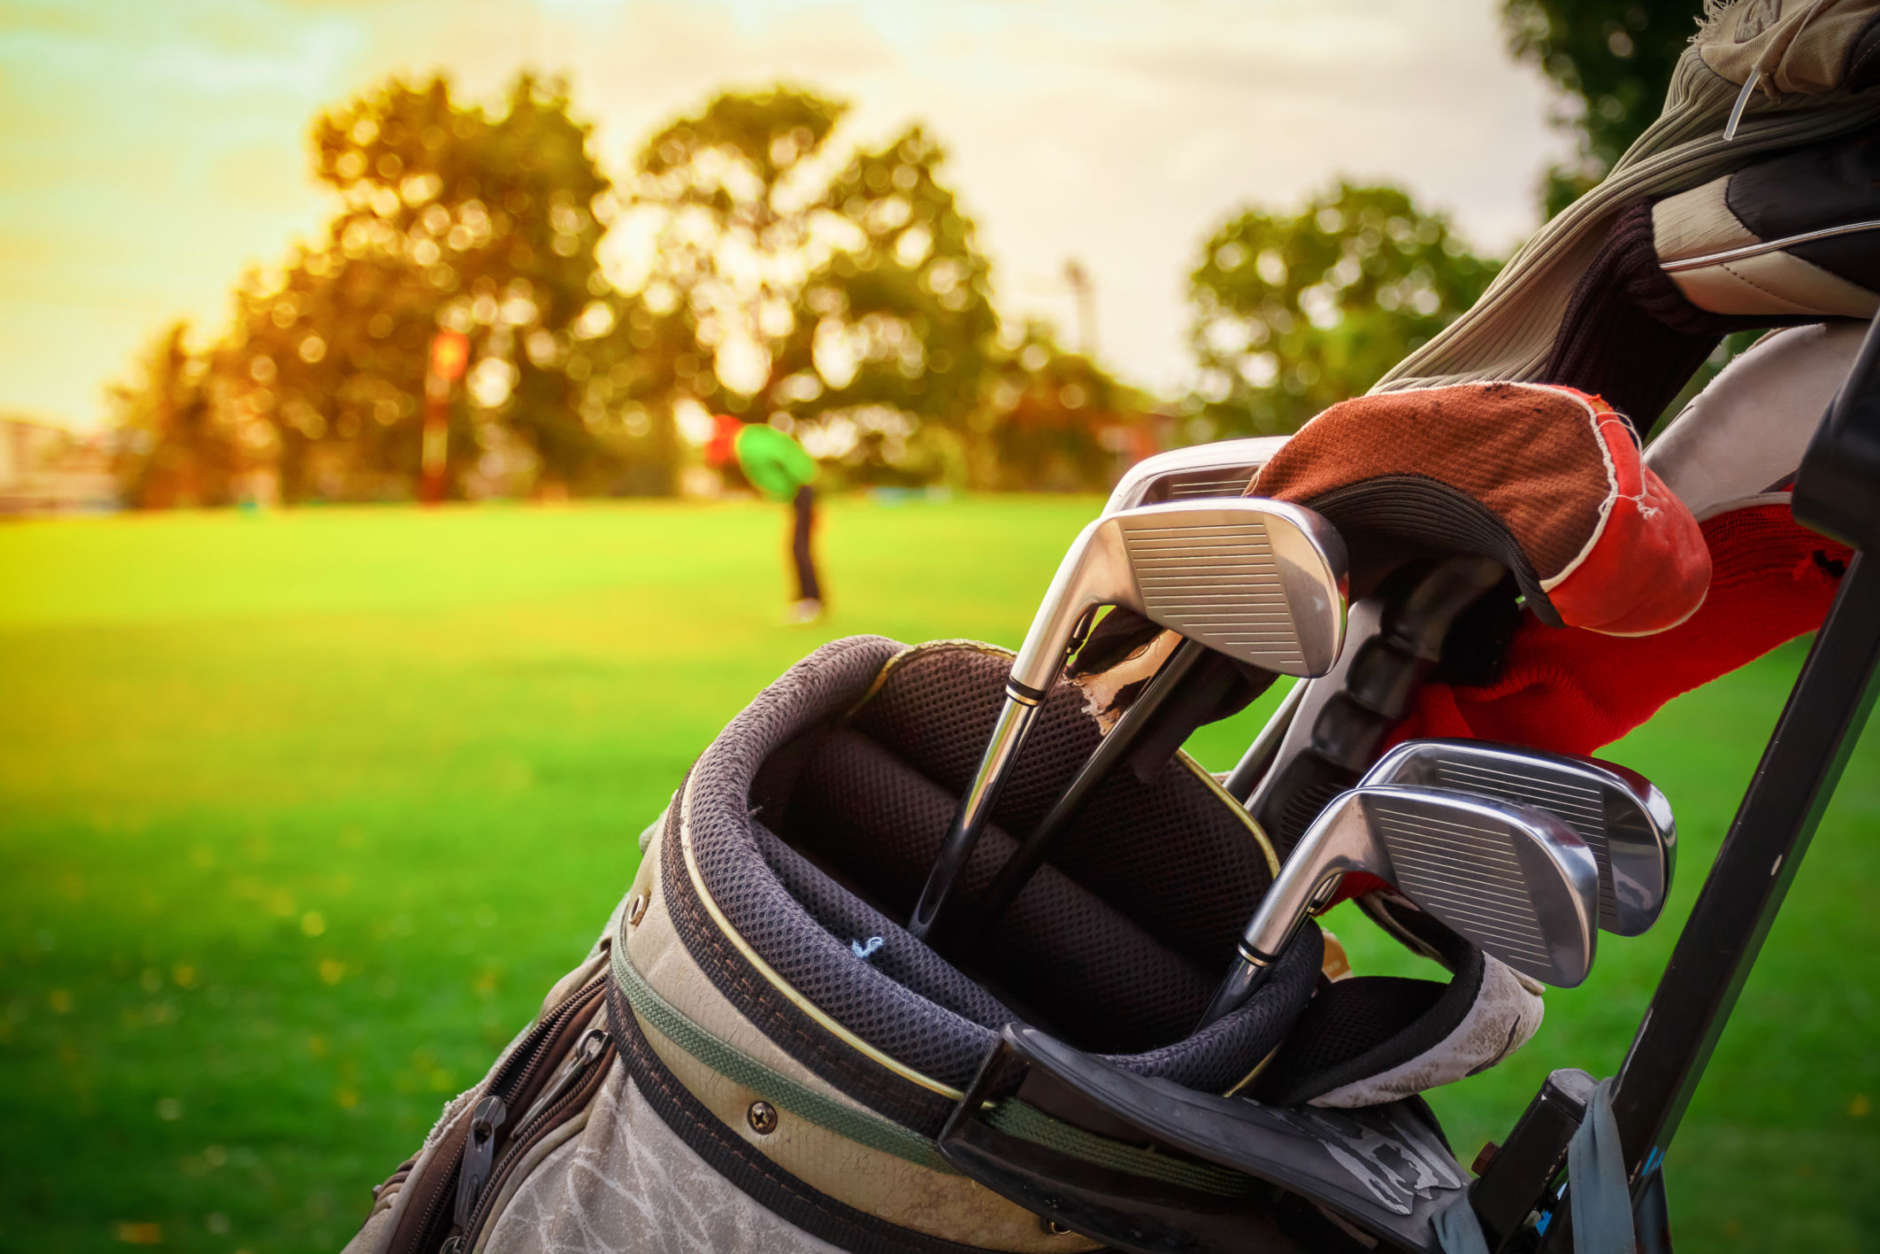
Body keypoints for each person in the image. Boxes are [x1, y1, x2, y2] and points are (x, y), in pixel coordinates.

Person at [705, 414, 825, 623]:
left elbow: (783, 459)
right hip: (800, 492)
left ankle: (811, 601)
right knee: (797, 547)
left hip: (801, 490)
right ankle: (807, 599)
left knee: (799, 548)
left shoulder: (749, 446)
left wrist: (806, 494)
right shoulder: (750, 439)